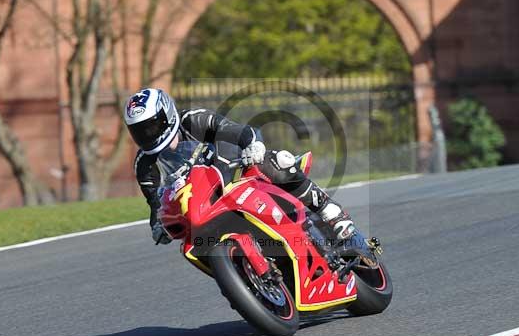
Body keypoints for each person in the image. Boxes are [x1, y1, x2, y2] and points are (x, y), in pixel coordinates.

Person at [124, 88, 357, 246]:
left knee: (278, 161)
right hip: (204, 203)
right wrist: (158, 226)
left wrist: (252, 146)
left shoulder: (194, 120)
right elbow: (156, 205)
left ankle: (330, 211)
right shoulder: (143, 165)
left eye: (152, 126)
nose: (148, 134)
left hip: (237, 172)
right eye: (140, 130)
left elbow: (239, 131)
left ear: (168, 114)